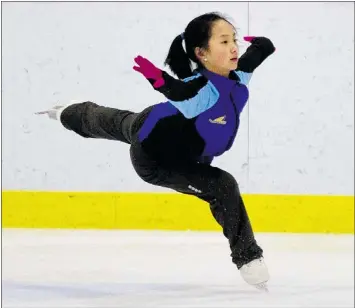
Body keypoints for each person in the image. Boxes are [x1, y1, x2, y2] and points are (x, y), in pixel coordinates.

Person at [36, 12, 275, 291]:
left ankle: (68, 111)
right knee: (222, 185)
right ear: (202, 53)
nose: (234, 47)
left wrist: (263, 45)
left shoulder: (237, 76)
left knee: (115, 121)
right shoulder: (199, 92)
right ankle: (248, 258)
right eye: (224, 41)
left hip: (155, 122)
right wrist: (159, 80)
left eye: (234, 39)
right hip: (157, 157)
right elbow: (179, 93)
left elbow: (257, 55)